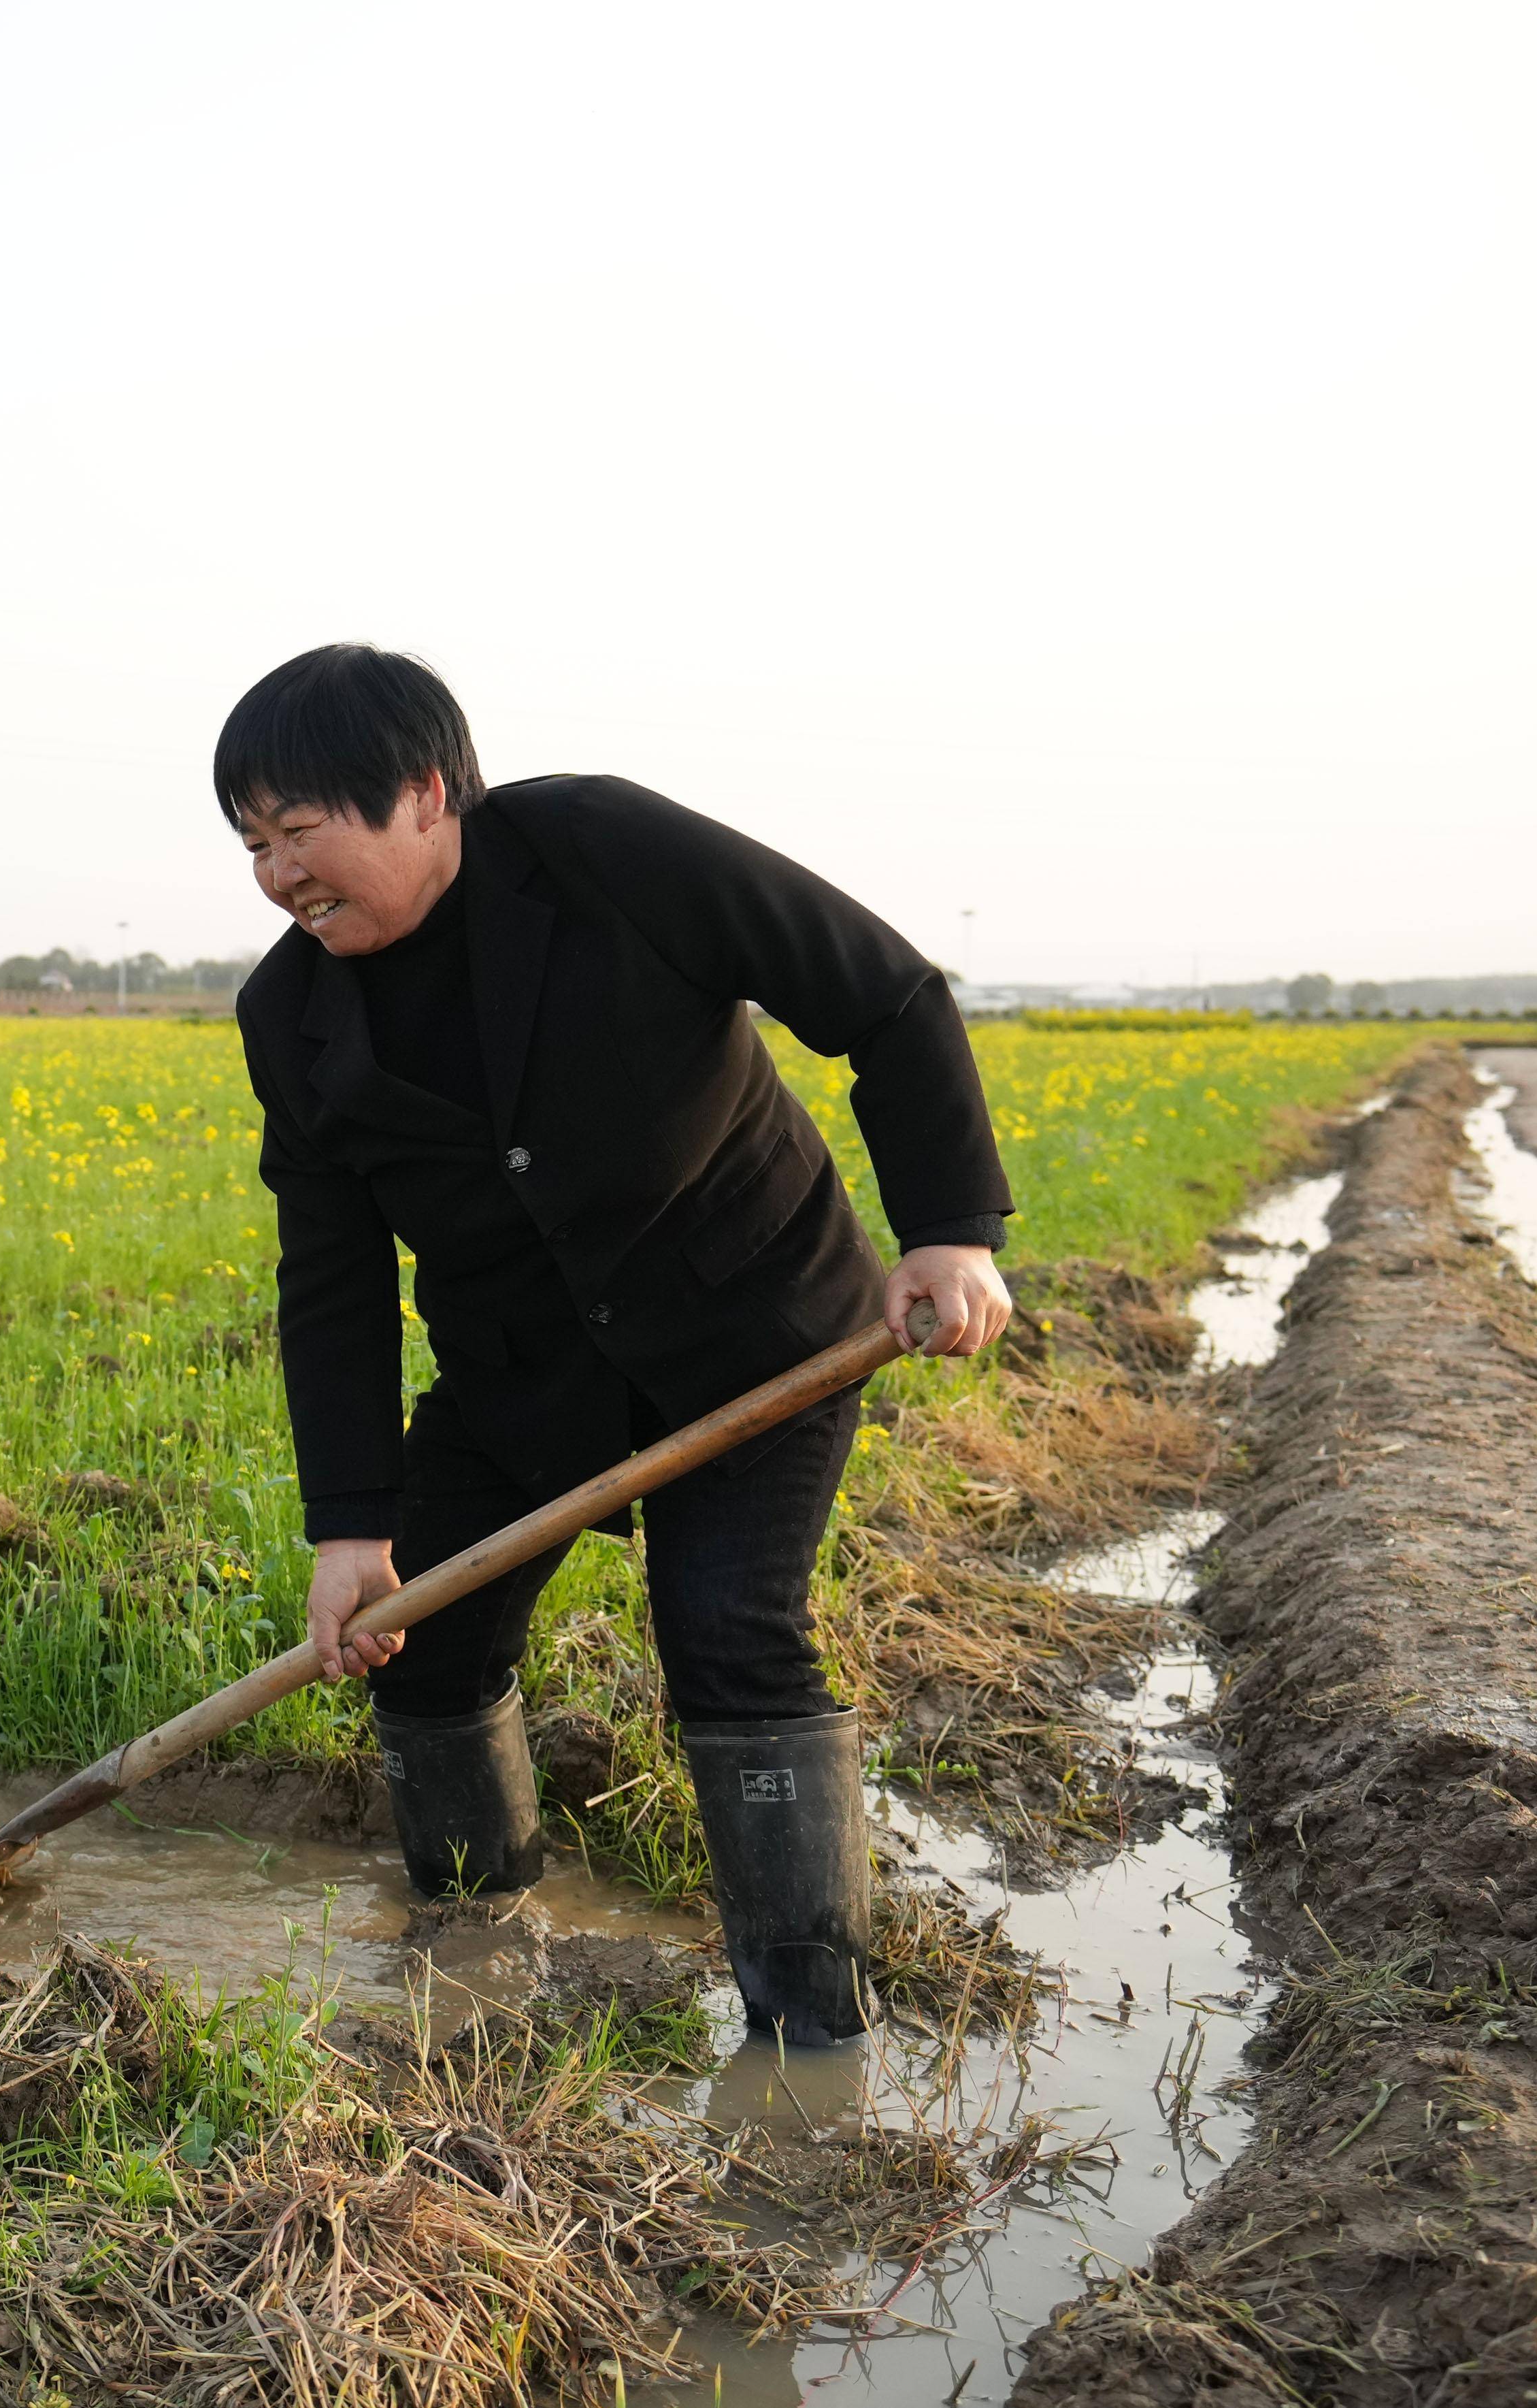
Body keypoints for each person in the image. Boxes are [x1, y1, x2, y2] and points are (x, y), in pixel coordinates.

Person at [221, 644, 1012, 2043]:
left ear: (422, 793)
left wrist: (948, 1228)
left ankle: (806, 2028)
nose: (279, 873)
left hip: (754, 1332)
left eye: (300, 830)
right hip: (520, 1372)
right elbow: (328, 1274)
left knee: (727, 1631)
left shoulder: (598, 850)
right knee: (424, 1644)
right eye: (252, 844)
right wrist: (349, 1523)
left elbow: (882, 992)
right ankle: (472, 1955)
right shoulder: (290, 1017)